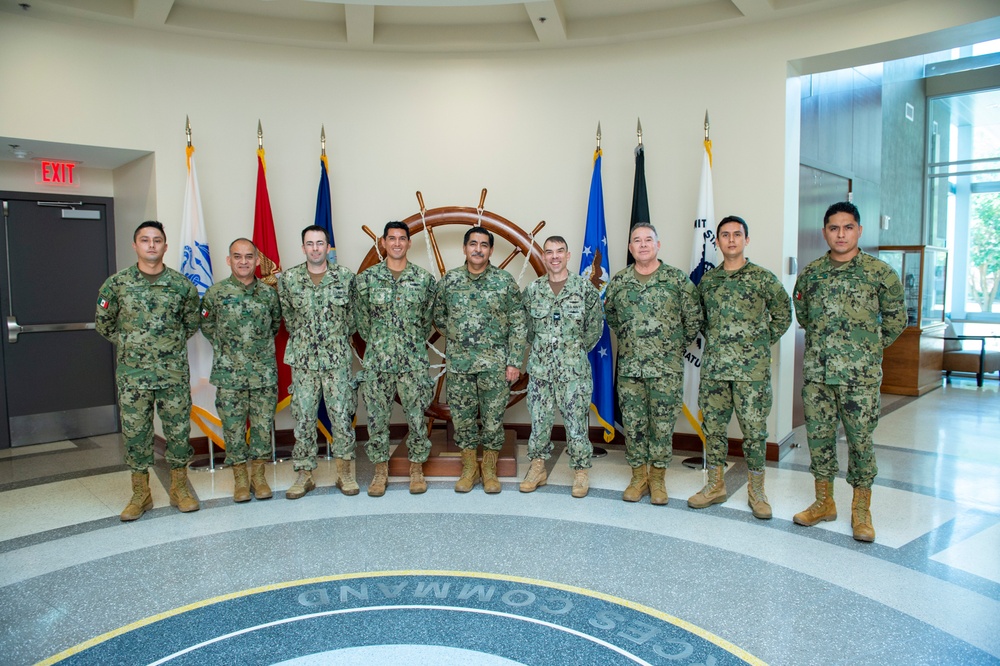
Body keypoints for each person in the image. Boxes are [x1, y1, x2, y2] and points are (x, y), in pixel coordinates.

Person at [792, 201, 906, 542]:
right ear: (825, 232)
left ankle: (861, 512)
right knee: (819, 439)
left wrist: (866, 349)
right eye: (833, 228)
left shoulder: (879, 273)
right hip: (818, 377)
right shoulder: (811, 274)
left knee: (860, 442)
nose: (840, 234)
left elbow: (897, 319)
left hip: (860, 378)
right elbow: (804, 316)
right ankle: (824, 502)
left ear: (858, 230)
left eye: (847, 227)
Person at [95, 220, 201, 521]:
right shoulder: (117, 284)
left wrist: (167, 345)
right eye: (145, 240)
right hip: (133, 375)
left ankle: (180, 487)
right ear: (135, 245)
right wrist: (132, 343)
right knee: (136, 434)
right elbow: (104, 323)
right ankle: (141, 494)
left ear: (165, 246)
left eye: (157, 240)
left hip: (172, 374)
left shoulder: (181, 285)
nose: (151, 245)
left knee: (178, 432)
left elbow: (191, 322)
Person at [687, 216, 791, 518]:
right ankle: (715, 485)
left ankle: (757, 491)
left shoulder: (762, 278)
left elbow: (783, 313)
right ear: (717, 242)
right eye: (724, 235)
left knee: (755, 433)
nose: (731, 240)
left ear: (746, 240)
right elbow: (702, 320)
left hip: (752, 374)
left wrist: (759, 342)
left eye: (737, 234)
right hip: (716, 370)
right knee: (715, 430)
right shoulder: (709, 282)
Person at [604, 222, 702, 505]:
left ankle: (657, 479)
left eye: (649, 239)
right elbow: (612, 317)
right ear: (630, 247)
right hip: (631, 370)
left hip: (665, 370)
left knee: (661, 426)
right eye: (637, 240)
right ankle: (638, 477)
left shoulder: (677, 280)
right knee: (633, 425)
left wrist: (670, 347)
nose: (643, 244)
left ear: (658, 245)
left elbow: (693, 319)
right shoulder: (620, 282)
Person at [432, 227, 527, 494]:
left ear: (491, 250)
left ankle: (489, 469)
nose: (478, 249)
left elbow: (518, 324)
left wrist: (514, 361)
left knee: (493, 419)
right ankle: (469, 468)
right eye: (473, 244)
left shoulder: (504, 282)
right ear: (464, 248)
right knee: (462, 419)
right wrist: (461, 339)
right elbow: (439, 319)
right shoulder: (449, 282)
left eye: (484, 245)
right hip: (460, 366)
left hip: (495, 366)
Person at [353, 221, 437, 496]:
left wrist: (407, 341)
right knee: (377, 419)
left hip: (413, 362)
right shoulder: (366, 280)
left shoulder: (424, 280)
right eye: (392, 238)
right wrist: (383, 343)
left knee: (416, 417)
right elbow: (362, 323)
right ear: (383, 242)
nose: (397, 243)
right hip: (378, 362)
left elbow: (427, 322)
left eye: (402, 238)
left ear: (409, 243)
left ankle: (416, 469)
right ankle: (380, 471)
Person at [519, 236, 603, 498]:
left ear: (568, 255)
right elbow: (527, 331)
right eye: (549, 252)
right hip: (541, 372)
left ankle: (580, 472)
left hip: (573, 373)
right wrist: (546, 351)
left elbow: (594, 328)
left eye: (560, 251)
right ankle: (537, 467)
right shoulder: (532, 291)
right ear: (543, 257)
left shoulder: (584, 289)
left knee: (577, 424)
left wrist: (571, 352)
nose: (554, 256)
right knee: (539, 422)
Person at [278, 225, 358, 499]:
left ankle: (345, 473)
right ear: (303, 248)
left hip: (336, 360)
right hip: (303, 361)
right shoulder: (288, 280)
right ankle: (304, 475)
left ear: (327, 247)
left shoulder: (346, 278)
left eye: (320, 243)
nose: (315, 248)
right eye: (309, 244)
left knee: (341, 416)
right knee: (303, 418)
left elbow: (353, 319)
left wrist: (332, 340)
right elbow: (288, 318)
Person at [200, 238, 282, 503]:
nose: (243, 261)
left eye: (249, 257)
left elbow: (275, 326)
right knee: (233, 429)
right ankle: (240, 481)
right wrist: (229, 350)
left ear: (257, 261)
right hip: (229, 376)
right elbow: (207, 326)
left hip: (263, 374)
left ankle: (258, 478)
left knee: (261, 428)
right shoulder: (215, 294)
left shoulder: (269, 294)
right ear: (229, 260)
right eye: (237, 256)